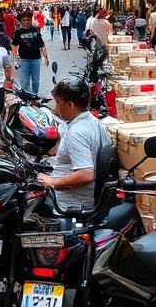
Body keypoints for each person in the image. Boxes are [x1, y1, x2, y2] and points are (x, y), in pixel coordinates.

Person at [38, 76, 106, 210]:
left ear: (70, 104)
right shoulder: (94, 122)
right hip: (86, 196)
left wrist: (53, 182)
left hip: (69, 202)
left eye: (58, 102)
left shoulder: (77, 132)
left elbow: (86, 174)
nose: (55, 109)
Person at [13, 11, 49, 95]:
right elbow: (14, 45)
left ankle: (35, 97)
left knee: (36, 82)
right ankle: (26, 99)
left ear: (31, 20)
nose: (26, 22)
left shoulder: (36, 30)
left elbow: (42, 45)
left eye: (28, 20)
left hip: (36, 60)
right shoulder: (18, 32)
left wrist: (46, 57)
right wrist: (16, 56)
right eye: (24, 20)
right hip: (24, 60)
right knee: (25, 83)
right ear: (21, 21)